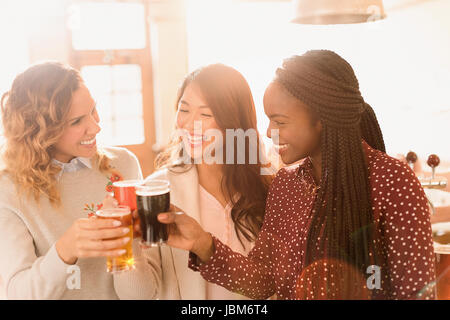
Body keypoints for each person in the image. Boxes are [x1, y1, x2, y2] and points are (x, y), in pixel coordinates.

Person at [156, 50, 436, 300]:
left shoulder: (392, 181)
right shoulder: (286, 185)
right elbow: (263, 280)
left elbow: (416, 293)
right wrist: (202, 243)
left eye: (279, 121)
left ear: (321, 119)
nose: (268, 132)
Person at [0, 62, 160, 299]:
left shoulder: (123, 165)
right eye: (76, 122)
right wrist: (67, 249)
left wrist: (125, 237)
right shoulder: (9, 190)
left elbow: (141, 295)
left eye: (93, 110)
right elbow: (18, 294)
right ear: (39, 129)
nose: (96, 127)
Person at [143, 63, 273, 299]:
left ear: (234, 122)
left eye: (206, 114)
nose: (191, 124)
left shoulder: (267, 188)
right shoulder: (156, 190)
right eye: (184, 110)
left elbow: (275, 282)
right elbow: (139, 294)